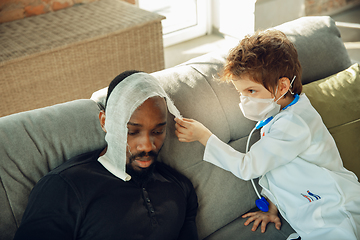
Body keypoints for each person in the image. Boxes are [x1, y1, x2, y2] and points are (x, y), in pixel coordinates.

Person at [174, 29, 360, 240]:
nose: (244, 100)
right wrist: (272, 207)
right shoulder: (279, 115)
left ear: (282, 87)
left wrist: (204, 137)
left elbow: (247, 167)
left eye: (251, 91)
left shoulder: (293, 124)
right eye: (240, 93)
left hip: (336, 211)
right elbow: (279, 167)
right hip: (314, 214)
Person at [14, 71, 199, 240]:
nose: (147, 145)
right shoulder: (63, 188)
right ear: (105, 121)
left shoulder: (180, 187)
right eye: (132, 131)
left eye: (157, 131)